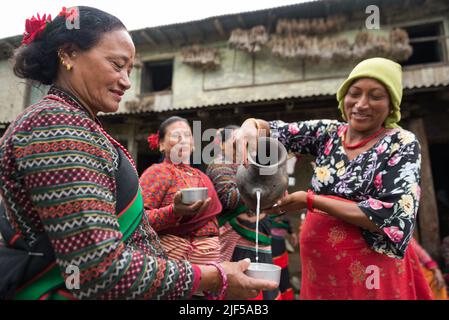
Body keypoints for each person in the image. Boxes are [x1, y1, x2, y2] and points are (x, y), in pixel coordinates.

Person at [0, 6, 277, 300]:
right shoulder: (54, 125)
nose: (127, 81)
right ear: (68, 54)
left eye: (130, 70)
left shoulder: (77, 122)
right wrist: (212, 277)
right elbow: (98, 270)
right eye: (117, 65)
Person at [237, 57, 433, 299]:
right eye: (355, 93)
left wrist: (312, 201)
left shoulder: (401, 143)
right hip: (320, 267)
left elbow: (393, 216)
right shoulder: (328, 133)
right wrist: (250, 125)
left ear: (392, 104)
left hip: (370, 269)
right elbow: (273, 131)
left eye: (375, 96)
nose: (361, 104)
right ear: (343, 97)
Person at [206, 125, 280, 300]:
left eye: (245, 144)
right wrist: (262, 184)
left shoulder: (248, 165)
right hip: (234, 239)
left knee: (264, 286)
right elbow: (230, 198)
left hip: (259, 234)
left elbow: (271, 195)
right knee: (239, 289)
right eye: (235, 144)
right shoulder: (219, 164)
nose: (241, 148)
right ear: (222, 145)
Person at [139, 116, 222, 266]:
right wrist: (174, 211)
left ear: (193, 144)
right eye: (176, 135)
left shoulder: (203, 177)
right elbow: (139, 219)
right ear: (161, 145)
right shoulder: (156, 173)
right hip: (174, 269)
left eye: (188, 135)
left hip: (211, 264)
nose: (183, 140)